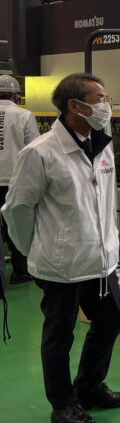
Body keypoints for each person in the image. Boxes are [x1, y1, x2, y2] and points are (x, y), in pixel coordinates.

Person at [2, 73, 120, 423]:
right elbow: (17, 209)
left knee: (110, 321)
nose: (107, 105)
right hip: (62, 266)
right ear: (75, 105)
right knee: (60, 336)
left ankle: (90, 387)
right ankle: (62, 403)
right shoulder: (40, 152)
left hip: (101, 260)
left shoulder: (101, 145)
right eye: (100, 98)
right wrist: (35, 250)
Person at [0, 74, 38, 284]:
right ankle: (21, 272)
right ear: (16, 95)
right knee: (15, 227)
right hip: (14, 181)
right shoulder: (24, 115)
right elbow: (35, 148)